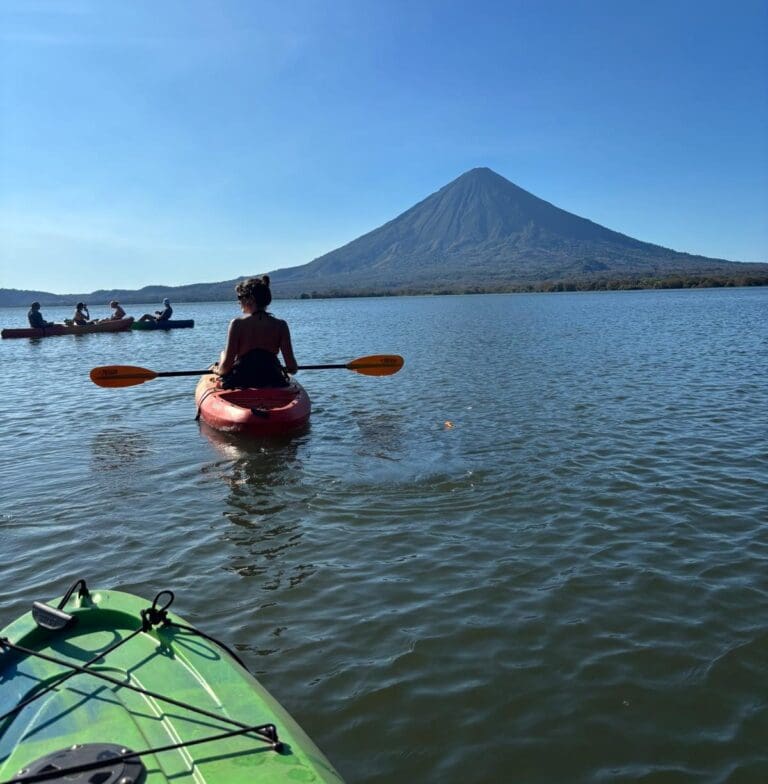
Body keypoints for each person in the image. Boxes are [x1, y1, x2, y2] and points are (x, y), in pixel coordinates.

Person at [217, 275, 298, 388]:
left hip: (241, 380)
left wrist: (218, 369)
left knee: (223, 354)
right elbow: (292, 368)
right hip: (274, 380)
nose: (238, 302)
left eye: (240, 297)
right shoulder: (281, 325)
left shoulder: (237, 324)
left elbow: (225, 368)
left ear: (249, 299)